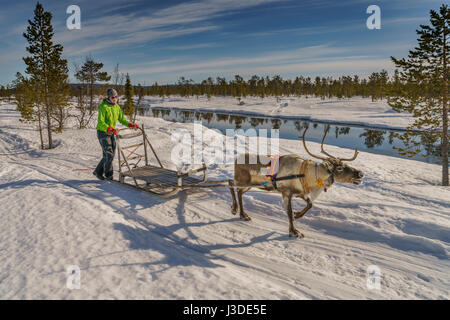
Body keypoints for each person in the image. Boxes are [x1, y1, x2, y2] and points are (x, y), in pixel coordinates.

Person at [93, 88, 139, 180]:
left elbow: (122, 119)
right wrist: (110, 128)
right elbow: (100, 123)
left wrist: (130, 124)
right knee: (109, 154)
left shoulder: (116, 107)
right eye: (112, 97)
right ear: (109, 97)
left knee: (110, 154)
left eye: (116, 97)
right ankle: (109, 175)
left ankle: (98, 172)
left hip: (111, 132)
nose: (115, 98)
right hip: (103, 132)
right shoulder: (103, 106)